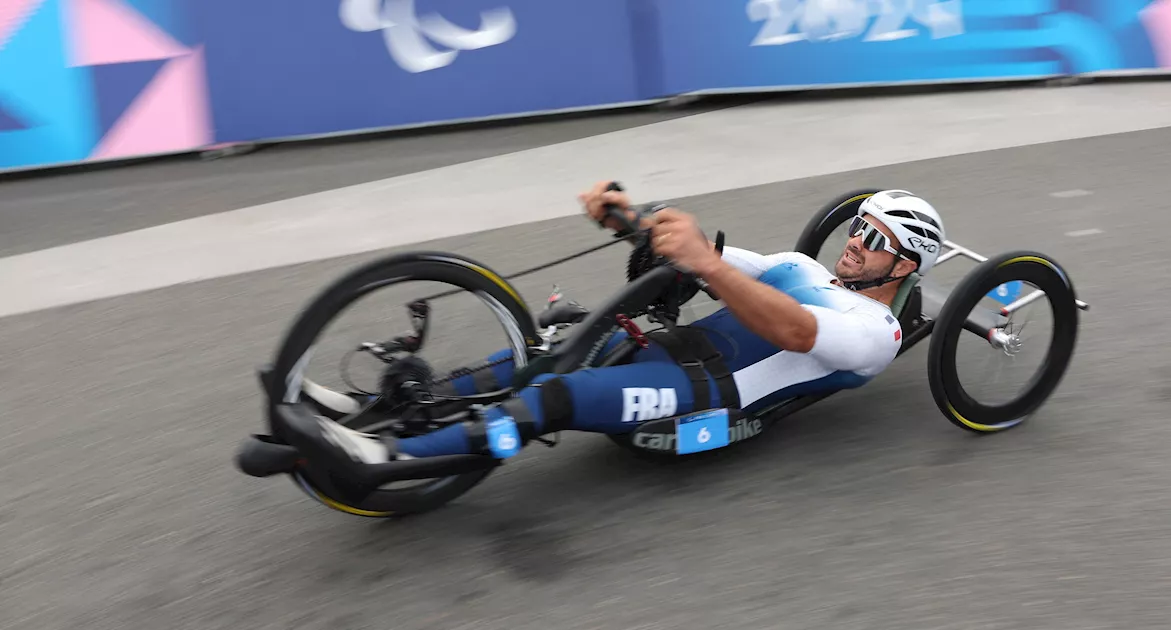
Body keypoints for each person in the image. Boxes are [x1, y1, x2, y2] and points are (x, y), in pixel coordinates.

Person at [280, 182, 946, 495]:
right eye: (858, 228)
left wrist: (708, 264)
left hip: (706, 402)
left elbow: (796, 331)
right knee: (539, 351)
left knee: (556, 396)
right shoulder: (802, 268)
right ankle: (386, 406)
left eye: (876, 241)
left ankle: (384, 460)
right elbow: (713, 256)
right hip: (667, 351)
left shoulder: (876, 332)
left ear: (905, 265)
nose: (855, 243)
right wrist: (631, 220)